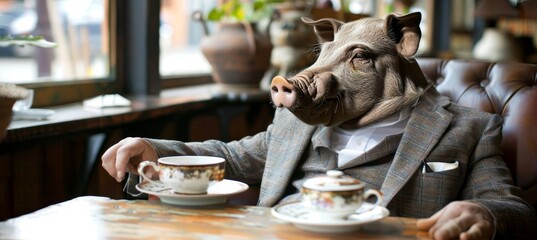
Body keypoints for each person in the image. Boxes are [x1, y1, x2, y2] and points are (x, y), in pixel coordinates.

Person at [102, 12, 537, 240]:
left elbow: (511, 207)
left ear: (405, 46)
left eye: (359, 58)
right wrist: (154, 149)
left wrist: (484, 214)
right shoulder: (295, 119)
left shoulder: (469, 128)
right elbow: (234, 157)